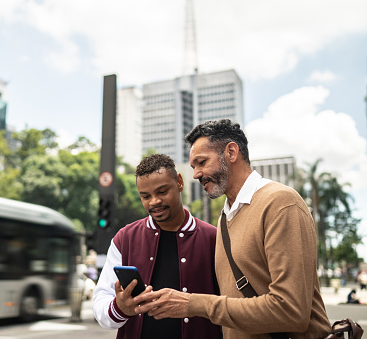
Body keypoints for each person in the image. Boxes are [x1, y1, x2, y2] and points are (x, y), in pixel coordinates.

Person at [134, 119, 331, 338]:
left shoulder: (280, 203)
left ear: (231, 152)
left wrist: (194, 304)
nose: (196, 174)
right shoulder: (226, 217)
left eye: (201, 162)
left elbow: (290, 311)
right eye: (193, 167)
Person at [93, 154, 221, 339]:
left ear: (179, 182)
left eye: (162, 192)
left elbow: (229, 305)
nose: (154, 201)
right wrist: (120, 308)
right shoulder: (125, 238)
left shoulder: (214, 239)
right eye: (145, 196)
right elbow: (101, 303)